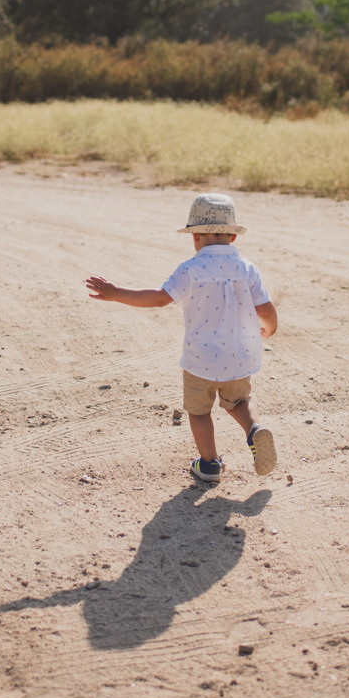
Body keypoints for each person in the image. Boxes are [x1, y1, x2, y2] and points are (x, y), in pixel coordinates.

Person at [85, 193, 278, 484]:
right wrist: (270, 328)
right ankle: (254, 430)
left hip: (200, 359)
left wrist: (116, 294)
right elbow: (265, 309)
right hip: (239, 356)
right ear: (233, 237)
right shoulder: (247, 268)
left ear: (195, 236)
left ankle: (209, 464)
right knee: (238, 401)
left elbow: (159, 298)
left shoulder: (191, 269)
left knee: (199, 412)